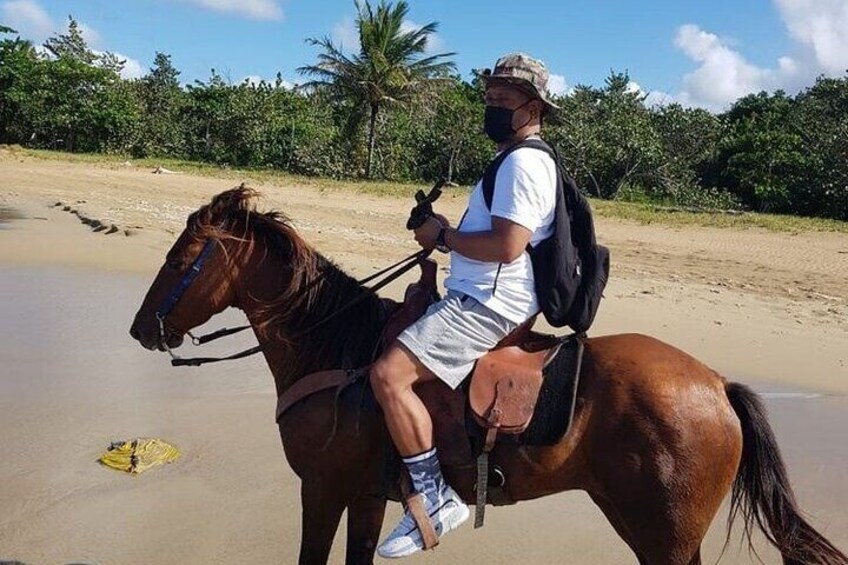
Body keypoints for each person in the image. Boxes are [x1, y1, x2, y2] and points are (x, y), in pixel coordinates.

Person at [370, 53, 560, 559]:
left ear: (532, 106)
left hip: (490, 303)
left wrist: (445, 236)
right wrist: (440, 233)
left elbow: (507, 246)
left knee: (388, 376)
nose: (492, 105)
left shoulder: (523, 162)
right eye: (489, 96)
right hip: (482, 291)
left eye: (503, 98)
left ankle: (435, 499)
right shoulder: (513, 158)